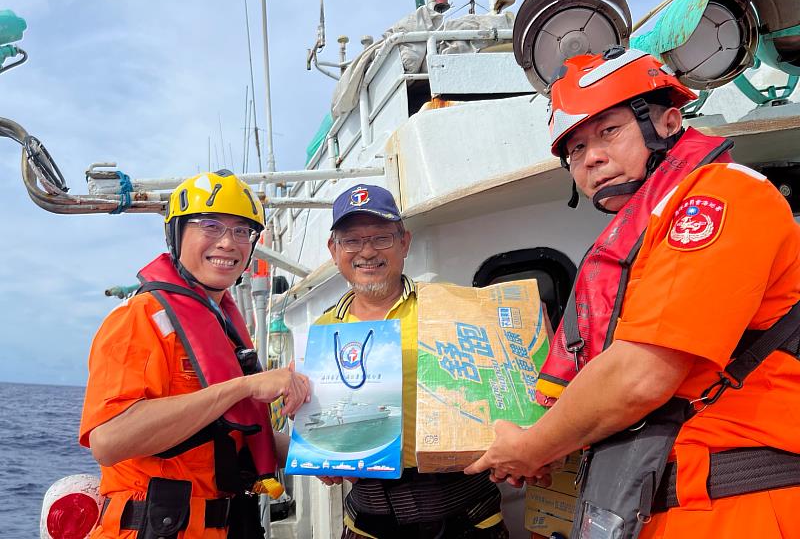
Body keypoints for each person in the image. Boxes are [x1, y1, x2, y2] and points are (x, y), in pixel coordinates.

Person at [466, 46, 800, 538]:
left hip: (735, 506)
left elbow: (642, 376)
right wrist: (545, 443)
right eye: (575, 149)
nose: (592, 157)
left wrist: (533, 447)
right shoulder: (646, 230)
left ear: (666, 122)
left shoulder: (720, 197)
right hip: (660, 504)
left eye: (609, 131)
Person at [80, 169, 310, 539]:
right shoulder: (137, 319)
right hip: (156, 527)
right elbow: (108, 441)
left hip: (229, 523)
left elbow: (234, 435)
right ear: (176, 233)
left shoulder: (224, 329)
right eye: (210, 226)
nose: (228, 243)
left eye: (241, 231)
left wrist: (328, 456)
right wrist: (243, 387)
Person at [315, 184, 509, 539]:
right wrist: (321, 454)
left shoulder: (455, 307)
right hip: (369, 520)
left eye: (381, 238)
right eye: (352, 240)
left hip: (467, 515)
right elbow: (321, 423)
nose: (368, 251)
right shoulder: (322, 331)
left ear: (404, 242)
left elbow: (506, 386)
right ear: (334, 250)